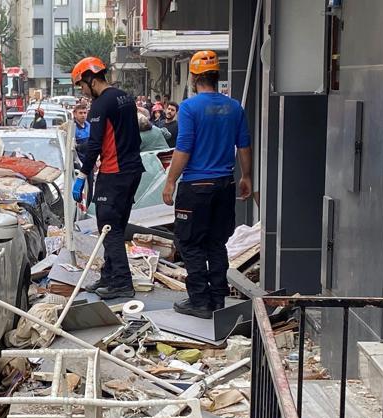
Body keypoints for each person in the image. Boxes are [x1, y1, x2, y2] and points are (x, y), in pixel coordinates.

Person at [161, 50, 252, 319]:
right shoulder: (234, 107)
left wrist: (170, 181)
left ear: (193, 77)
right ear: (215, 75)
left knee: (190, 243)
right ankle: (217, 299)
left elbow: (184, 148)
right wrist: (246, 176)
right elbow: (244, 146)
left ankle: (200, 300)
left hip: (196, 186)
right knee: (216, 243)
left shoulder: (190, 108)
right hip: (224, 185)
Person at [71, 56, 143, 300]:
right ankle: (109, 276)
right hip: (132, 171)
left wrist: (82, 174)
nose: (82, 91)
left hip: (114, 173)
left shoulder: (101, 105)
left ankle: (121, 283)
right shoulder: (126, 98)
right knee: (117, 226)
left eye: (82, 85)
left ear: (91, 80)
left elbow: (95, 144)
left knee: (109, 228)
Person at [73, 103, 93, 204]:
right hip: (77, 165)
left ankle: (87, 207)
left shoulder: (89, 126)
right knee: (79, 191)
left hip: (89, 162)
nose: (83, 115)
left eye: (85, 113)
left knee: (90, 188)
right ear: (75, 114)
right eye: (80, 113)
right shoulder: (72, 128)